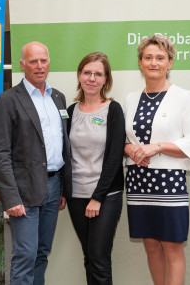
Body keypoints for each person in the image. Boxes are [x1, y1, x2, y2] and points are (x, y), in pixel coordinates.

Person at [124, 35, 190, 285]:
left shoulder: (183, 97)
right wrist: (129, 149)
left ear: (170, 63)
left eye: (160, 58)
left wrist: (156, 147)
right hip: (139, 182)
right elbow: (123, 139)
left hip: (169, 181)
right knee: (150, 245)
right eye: (148, 57)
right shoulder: (130, 98)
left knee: (172, 248)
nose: (153, 63)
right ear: (140, 62)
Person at [0, 41, 72, 285]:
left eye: (43, 60)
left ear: (49, 62)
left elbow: (62, 144)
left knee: (41, 253)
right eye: (33, 61)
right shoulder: (7, 100)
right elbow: (0, 153)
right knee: (25, 254)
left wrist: (62, 189)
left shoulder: (58, 97)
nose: (39, 66)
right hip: (23, 191)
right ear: (22, 65)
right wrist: (11, 198)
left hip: (54, 185)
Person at [66, 52, 125, 285]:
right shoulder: (70, 111)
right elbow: (66, 155)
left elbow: (114, 157)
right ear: (80, 76)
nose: (92, 78)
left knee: (99, 259)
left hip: (105, 195)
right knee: (89, 257)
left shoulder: (113, 109)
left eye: (98, 74)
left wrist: (97, 197)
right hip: (76, 195)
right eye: (87, 72)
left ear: (105, 79)